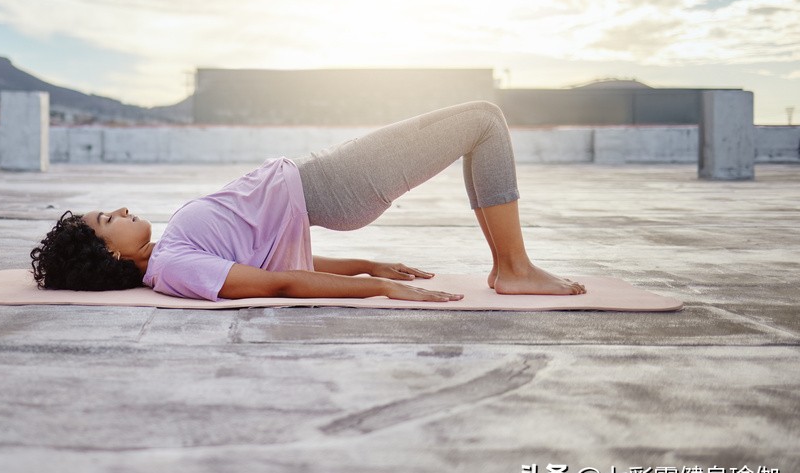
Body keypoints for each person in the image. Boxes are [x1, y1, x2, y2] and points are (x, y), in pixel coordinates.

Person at [30, 101, 586, 302]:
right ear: (111, 256)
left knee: (480, 123)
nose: (122, 210)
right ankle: (513, 269)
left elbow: (274, 261)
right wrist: (376, 289)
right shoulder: (175, 268)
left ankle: (511, 266)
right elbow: (279, 284)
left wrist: (366, 263)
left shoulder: (172, 250)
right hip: (331, 186)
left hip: (323, 180)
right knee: (483, 121)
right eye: (109, 219)